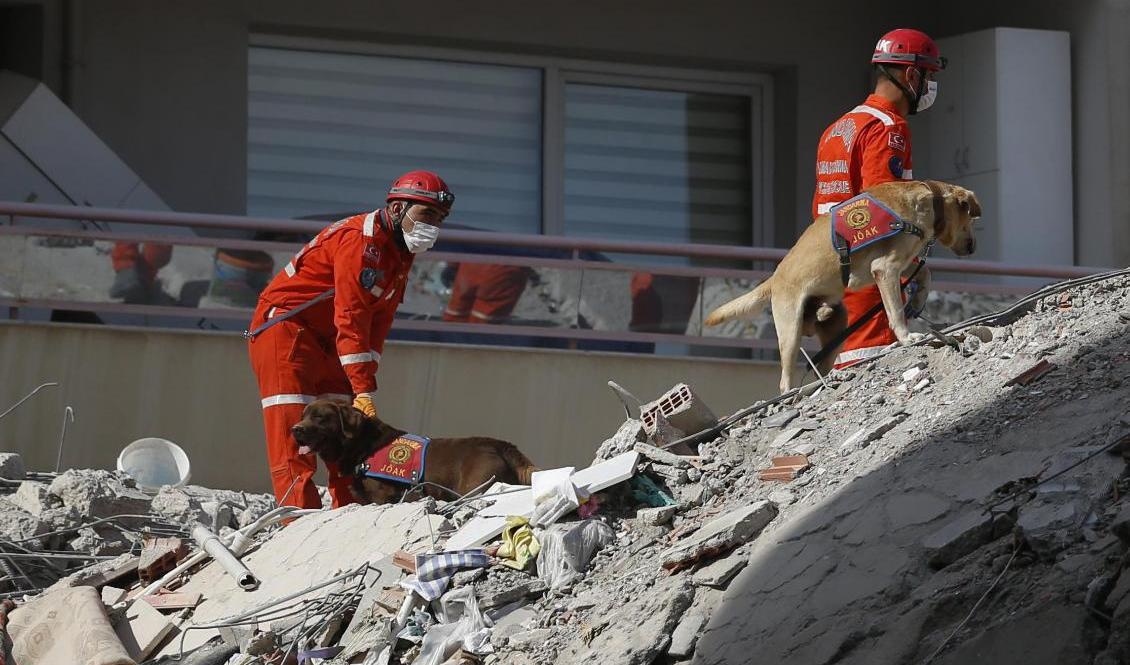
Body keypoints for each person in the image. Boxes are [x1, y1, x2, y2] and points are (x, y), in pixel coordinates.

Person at [247, 170, 454, 509]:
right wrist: (362, 389)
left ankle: (348, 514)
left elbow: (377, 324)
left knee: (344, 435)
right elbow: (352, 316)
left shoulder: (399, 252)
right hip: (285, 330)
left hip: (331, 339)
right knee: (295, 436)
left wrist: (363, 386)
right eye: (427, 214)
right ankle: (299, 526)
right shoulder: (359, 241)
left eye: (440, 218)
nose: (434, 225)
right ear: (398, 208)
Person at [812, 27, 945, 368]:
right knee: (876, 379)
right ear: (911, 74)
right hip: (870, 286)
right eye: (929, 75)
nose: (930, 85)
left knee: (845, 381)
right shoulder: (888, 128)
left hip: (834, 277)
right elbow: (886, 211)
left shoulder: (839, 127)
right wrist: (915, 268)